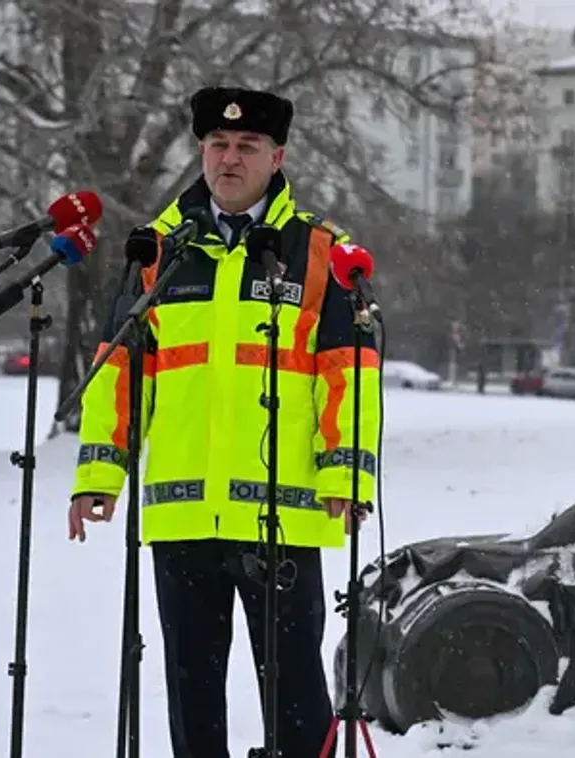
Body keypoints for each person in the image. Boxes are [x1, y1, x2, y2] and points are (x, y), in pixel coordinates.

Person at [67, 85, 381, 758]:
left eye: (247, 147)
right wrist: (98, 473)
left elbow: (347, 373)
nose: (229, 159)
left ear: (278, 157)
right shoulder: (157, 248)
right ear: (201, 150)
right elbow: (120, 370)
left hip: (282, 514)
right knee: (191, 699)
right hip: (181, 514)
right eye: (217, 145)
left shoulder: (322, 251)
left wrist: (348, 474)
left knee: (297, 703)